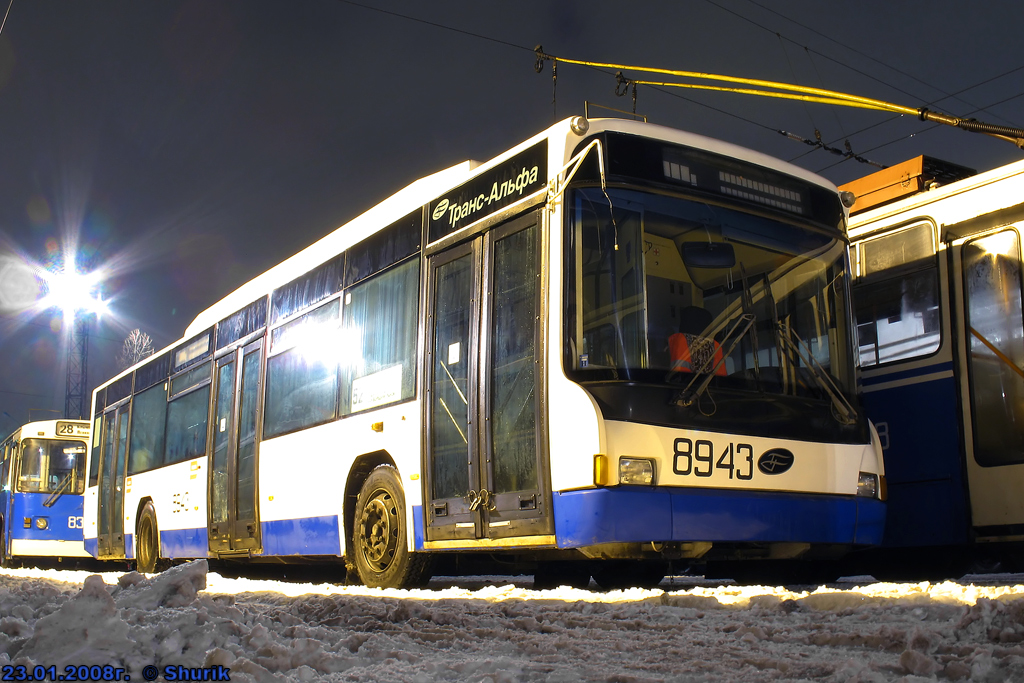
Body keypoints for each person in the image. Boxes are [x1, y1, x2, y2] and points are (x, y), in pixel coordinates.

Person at [669, 306, 727, 376]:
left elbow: (679, 377)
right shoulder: (715, 346)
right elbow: (720, 379)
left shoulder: (680, 341)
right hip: (706, 386)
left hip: (687, 385)